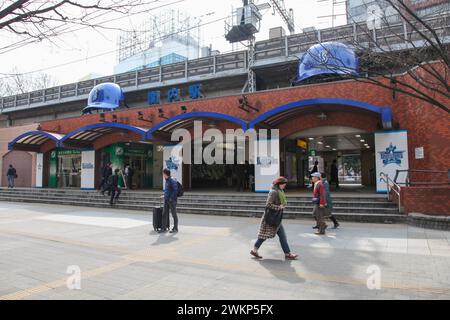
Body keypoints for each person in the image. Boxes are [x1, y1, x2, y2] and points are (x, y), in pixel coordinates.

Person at [250, 177, 298, 260]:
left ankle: (287, 253)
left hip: (276, 218)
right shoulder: (274, 192)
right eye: (283, 184)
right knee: (263, 236)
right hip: (270, 219)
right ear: (279, 184)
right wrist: (279, 207)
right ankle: (254, 250)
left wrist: (281, 206)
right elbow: (268, 204)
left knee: (282, 236)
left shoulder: (280, 191)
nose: (284, 186)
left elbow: (282, 202)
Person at [161, 168, 179, 233]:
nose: (163, 175)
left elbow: (175, 190)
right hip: (166, 199)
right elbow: (168, 190)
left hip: (172, 200)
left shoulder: (172, 180)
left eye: (163, 173)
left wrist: (171, 198)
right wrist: (164, 196)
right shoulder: (167, 180)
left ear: (166, 174)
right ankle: (163, 228)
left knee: (174, 214)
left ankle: (175, 228)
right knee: (164, 213)